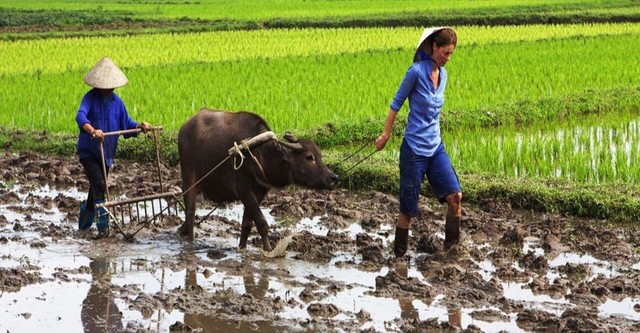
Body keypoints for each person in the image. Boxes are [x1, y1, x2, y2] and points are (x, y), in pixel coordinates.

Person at [375, 27, 462, 257]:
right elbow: (396, 103)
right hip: (414, 150)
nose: (448, 58)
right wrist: (385, 134)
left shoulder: (443, 76)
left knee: (455, 197)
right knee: (408, 211)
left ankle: (452, 250)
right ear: (434, 47)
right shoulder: (415, 72)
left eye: (451, 53)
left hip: (435, 147)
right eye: (445, 53)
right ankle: (399, 257)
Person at [76, 56, 150, 236]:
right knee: (100, 184)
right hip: (89, 151)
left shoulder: (118, 103)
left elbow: (127, 125)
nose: (109, 88)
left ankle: (83, 226)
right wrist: (93, 131)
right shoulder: (90, 98)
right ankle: (103, 229)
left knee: (96, 189)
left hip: (106, 155)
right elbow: (80, 116)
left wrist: (139, 127)